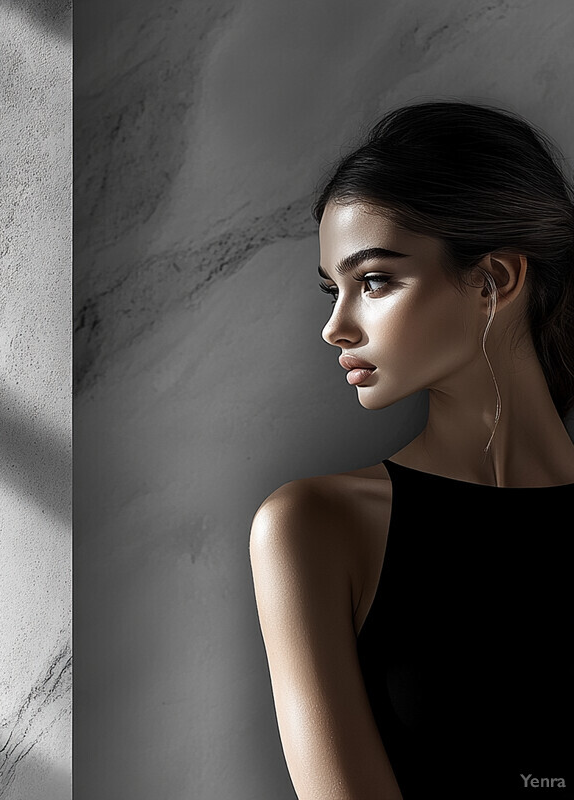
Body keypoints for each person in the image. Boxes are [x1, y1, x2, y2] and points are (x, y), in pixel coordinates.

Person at [249, 101, 574, 799]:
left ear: (494, 282)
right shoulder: (316, 528)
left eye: (373, 282)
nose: (335, 327)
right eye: (332, 291)